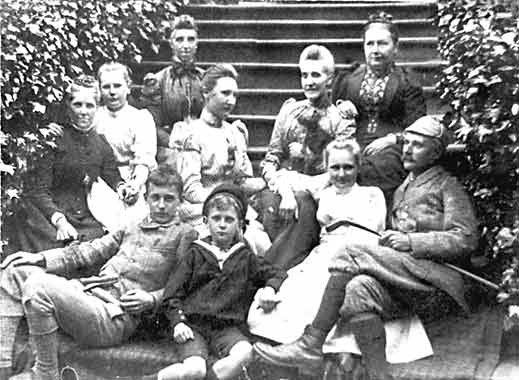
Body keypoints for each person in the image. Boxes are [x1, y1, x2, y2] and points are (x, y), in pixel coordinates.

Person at [253, 116, 479, 380]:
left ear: (436, 152)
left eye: (418, 145)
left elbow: (465, 238)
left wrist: (412, 241)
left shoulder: (446, 185)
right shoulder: (404, 187)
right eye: (406, 142)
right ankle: (378, 375)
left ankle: (311, 343)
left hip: (437, 277)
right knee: (357, 290)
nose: (407, 149)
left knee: (350, 252)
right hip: (408, 274)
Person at [0, 165, 198, 380]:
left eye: (168, 199)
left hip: (114, 316)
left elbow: (185, 285)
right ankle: (3, 364)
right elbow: (89, 251)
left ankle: (45, 372)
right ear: (146, 197)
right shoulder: (131, 226)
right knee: (17, 269)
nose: (161, 206)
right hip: (89, 296)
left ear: (180, 201)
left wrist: (151, 299)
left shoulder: (184, 235)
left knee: (38, 286)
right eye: (155, 198)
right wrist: (39, 258)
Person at [248, 137, 386, 344]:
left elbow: (374, 232)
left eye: (348, 167)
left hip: (359, 253)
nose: (341, 174)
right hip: (323, 254)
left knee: (327, 294)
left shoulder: (372, 194)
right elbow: (284, 177)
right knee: (288, 295)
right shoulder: (324, 190)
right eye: (335, 167)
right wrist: (287, 195)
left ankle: (316, 344)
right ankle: (295, 344)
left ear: (358, 167)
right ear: (327, 168)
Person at [153, 184, 287, 380]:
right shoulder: (195, 253)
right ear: (206, 221)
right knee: (194, 370)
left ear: (239, 224)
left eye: (229, 219)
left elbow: (277, 273)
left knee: (245, 353)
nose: (222, 224)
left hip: (227, 328)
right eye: (216, 218)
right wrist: (178, 323)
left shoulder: (245, 257)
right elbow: (172, 294)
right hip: (193, 325)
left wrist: (269, 289)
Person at [255, 44, 357, 268]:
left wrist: (304, 184)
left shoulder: (341, 118)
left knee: (305, 206)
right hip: (283, 186)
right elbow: (271, 158)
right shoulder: (289, 111)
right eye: (304, 75)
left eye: (316, 75)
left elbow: (338, 169)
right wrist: (282, 186)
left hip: (321, 190)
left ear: (329, 79)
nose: (309, 81)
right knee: (274, 205)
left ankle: (272, 269)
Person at [11, 75, 125, 253]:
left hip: (84, 217)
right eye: (77, 104)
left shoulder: (101, 143)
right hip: (48, 215)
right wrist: (59, 221)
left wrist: (122, 187)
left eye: (89, 105)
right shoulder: (54, 138)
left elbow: (112, 175)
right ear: (68, 106)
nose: (83, 111)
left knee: (101, 247)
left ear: (98, 107)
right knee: (58, 251)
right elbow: (38, 191)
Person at [332, 11, 427, 206]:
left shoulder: (406, 82)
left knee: (379, 165)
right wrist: (341, 107)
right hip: (352, 142)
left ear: (396, 48)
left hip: (392, 147)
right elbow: (330, 110)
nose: (375, 50)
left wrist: (392, 139)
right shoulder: (348, 79)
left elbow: (418, 128)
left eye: (382, 43)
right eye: (370, 43)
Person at [94, 62, 157, 228]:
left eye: (117, 86)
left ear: (128, 87)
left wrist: (135, 185)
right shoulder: (94, 117)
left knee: (134, 222)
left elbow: (144, 158)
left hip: (132, 176)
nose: (112, 92)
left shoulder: (140, 118)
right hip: (100, 179)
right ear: (99, 90)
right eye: (106, 87)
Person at [131, 14, 204, 150]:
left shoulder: (205, 79)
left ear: (197, 43)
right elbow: (151, 125)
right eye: (180, 40)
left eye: (191, 39)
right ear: (171, 43)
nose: (186, 45)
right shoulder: (157, 81)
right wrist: (171, 141)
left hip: (201, 146)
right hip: (169, 149)